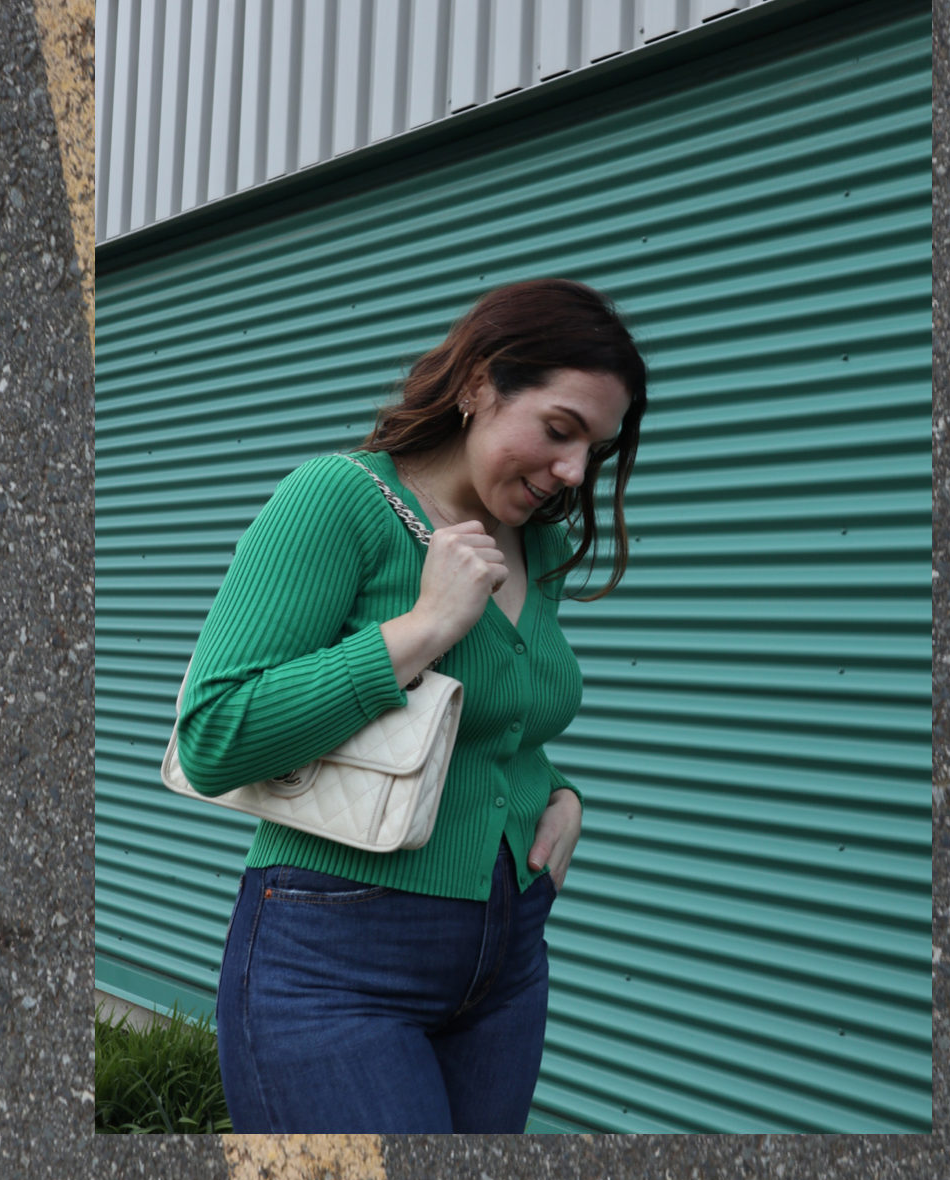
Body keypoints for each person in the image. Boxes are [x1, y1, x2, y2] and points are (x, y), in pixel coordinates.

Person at [177, 277, 648, 1134]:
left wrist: (562, 795)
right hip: (335, 964)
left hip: (508, 964)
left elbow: (498, 721)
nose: (575, 472)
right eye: (559, 429)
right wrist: (424, 627)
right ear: (478, 384)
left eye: (597, 448)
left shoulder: (536, 542)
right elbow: (214, 734)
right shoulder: (337, 499)